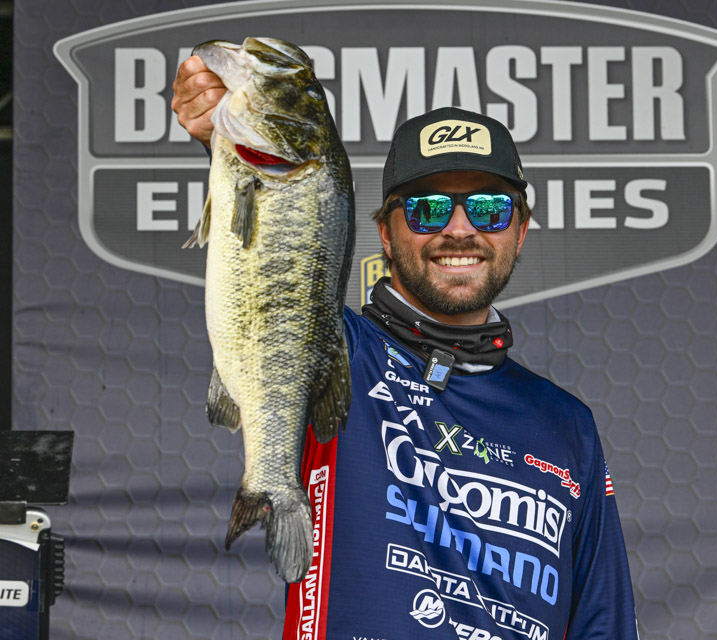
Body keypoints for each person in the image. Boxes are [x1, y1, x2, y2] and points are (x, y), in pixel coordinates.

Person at [173, 56, 639, 639]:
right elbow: (274, 270)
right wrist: (233, 137)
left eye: (490, 208)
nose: (460, 228)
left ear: (520, 233)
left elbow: (604, 624)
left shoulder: (569, 425)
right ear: (386, 236)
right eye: (427, 208)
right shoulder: (337, 352)